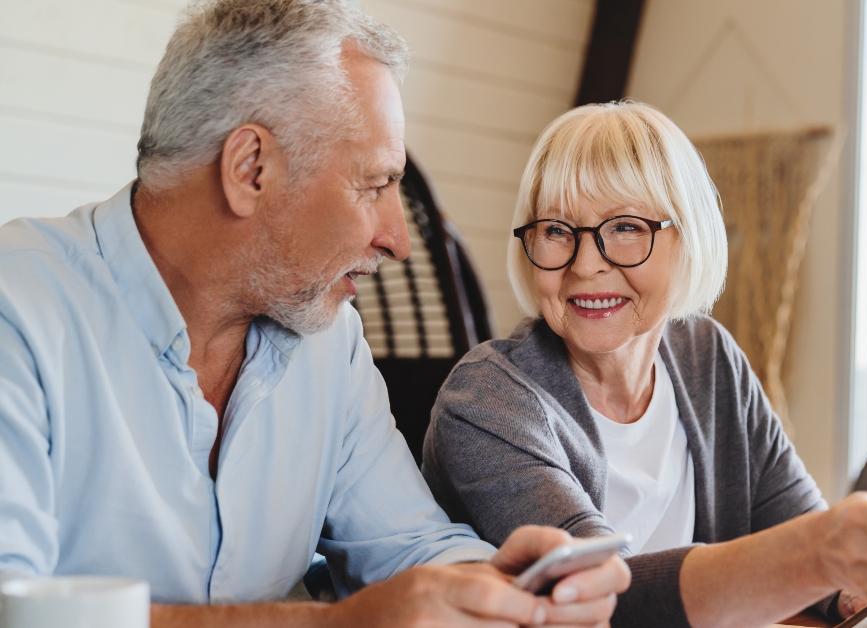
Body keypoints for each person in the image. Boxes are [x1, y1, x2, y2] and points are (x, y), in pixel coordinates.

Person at [0, 1, 629, 627]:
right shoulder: (18, 309)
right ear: (251, 168)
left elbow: (408, 547)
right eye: (375, 184)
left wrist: (500, 591)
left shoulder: (329, 342)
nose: (398, 240)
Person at [421, 101, 867, 628]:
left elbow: (798, 531)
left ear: (686, 241)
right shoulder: (484, 403)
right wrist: (823, 556)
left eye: (625, 228)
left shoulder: (708, 358)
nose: (585, 264)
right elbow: (600, 599)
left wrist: (859, 588)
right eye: (556, 232)